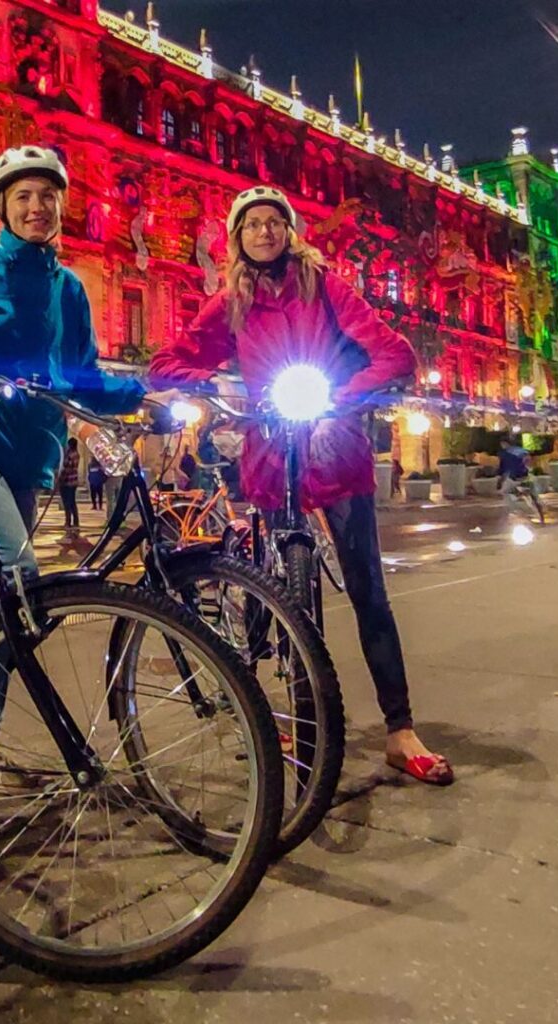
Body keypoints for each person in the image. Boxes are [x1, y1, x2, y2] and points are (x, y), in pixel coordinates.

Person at [150, 184, 453, 786]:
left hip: (334, 450)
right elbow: (167, 362)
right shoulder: (231, 301)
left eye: (275, 223)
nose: (265, 232)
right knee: (279, 598)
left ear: (291, 232)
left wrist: (337, 397)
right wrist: (226, 390)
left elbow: (393, 355)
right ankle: (284, 714)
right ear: (237, 238)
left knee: (368, 589)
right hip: (270, 458)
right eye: (252, 224)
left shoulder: (327, 286)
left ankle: (400, 730)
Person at [0, 144, 171, 800]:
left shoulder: (69, 288)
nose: (37, 207)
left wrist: (143, 394)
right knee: (16, 574)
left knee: (10, 596)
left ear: (63, 205)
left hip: (34, 457)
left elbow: (78, 378)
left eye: (48, 196)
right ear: (1, 206)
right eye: (23, 196)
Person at [498, 436, 531, 513]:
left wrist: (501, 479)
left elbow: (504, 468)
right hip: (525, 475)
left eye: (502, 444)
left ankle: (514, 509)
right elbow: (528, 460)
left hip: (514, 477)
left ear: (505, 444)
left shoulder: (506, 454)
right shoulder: (522, 450)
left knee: (504, 491)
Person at [58, 436, 81, 532]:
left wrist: (60, 478)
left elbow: (66, 467)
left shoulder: (70, 455)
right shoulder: (77, 454)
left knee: (67, 503)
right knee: (72, 502)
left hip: (67, 481)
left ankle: (68, 522)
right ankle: (75, 521)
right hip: (74, 481)